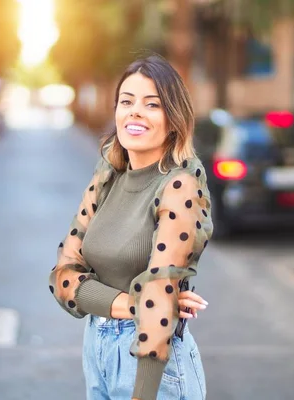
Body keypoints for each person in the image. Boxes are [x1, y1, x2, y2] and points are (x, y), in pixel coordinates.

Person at [49, 54, 213, 400]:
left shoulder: (180, 185)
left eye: (152, 104)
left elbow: (159, 300)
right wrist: (139, 302)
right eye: (126, 101)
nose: (135, 111)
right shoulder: (107, 176)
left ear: (173, 120)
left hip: (152, 361)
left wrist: (155, 303)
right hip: (98, 348)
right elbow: (62, 277)